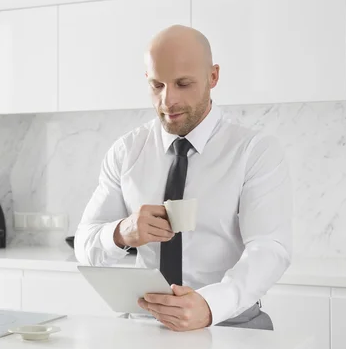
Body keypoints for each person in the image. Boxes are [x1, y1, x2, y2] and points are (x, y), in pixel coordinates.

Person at [74, 25, 292, 331]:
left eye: (183, 83)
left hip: (227, 324)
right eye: (157, 85)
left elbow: (269, 249)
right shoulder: (126, 152)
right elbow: (84, 245)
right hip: (144, 327)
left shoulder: (254, 151)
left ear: (213, 77)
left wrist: (210, 306)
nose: (168, 100)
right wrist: (122, 232)